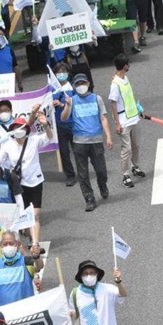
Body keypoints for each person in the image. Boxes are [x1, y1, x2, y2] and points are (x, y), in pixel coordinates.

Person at [0, 110, 54, 244]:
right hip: (18, 185)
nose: (18, 130)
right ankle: (29, 234)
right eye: (15, 128)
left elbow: (49, 137)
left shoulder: (34, 140)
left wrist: (46, 125)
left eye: (21, 127)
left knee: (35, 215)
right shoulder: (7, 145)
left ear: (26, 129)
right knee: (24, 215)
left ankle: (35, 243)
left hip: (35, 181)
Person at [60, 74, 113, 212]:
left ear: (88, 83)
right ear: (74, 86)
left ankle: (102, 185)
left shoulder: (97, 98)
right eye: (77, 84)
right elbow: (64, 118)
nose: (80, 86)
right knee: (83, 174)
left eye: (83, 83)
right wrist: (67, 105)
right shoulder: (72, 100)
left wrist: (108, 136)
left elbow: (103, 118)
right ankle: (89, 199)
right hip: (79, 142)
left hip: (96, 141)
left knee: (101, 170)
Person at [109, 53, 146, 187]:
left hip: (133, 118)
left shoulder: (125, 78)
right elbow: (113, 104)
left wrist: (138, 110)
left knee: (136, 145)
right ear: (124, 66)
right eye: (128, 64)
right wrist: (116, 123)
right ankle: (125, 175)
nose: (129, 65)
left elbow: (129, 97)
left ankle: (135, 167)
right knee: (127, 149)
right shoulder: (115, 84)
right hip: (124, 121)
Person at [0, 230, 43, 308]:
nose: (8, 246)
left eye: (11, 243)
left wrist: (36, 257)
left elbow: (39, 266)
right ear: (1, 245)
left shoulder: (26, 262)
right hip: (5, 315)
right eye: (5, 244)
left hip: (26, 312)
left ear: (17, 244)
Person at [51, 61, 76, 186]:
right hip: (59, 126)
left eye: (64, 72)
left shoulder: (73, 89)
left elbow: (77, 106)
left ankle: (82, 172)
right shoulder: (51, 89)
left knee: (78, 151)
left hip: (73, 124)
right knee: (64, 152)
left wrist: (62, 104)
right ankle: (70, 175)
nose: (61, 74)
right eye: (59, 72)